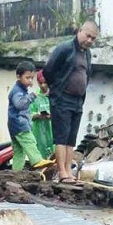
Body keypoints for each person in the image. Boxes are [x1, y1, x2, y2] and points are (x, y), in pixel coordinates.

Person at [42, 20, 99, 184]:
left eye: (93, 39)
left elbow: (86, 75)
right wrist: (57, 88)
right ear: (80, 31)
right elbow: (48, 70)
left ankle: (68, 171)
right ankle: (61, 172)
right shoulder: (65, 48)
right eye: (88, 36)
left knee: (71, 139)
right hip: (62, 98)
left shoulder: (87, 54)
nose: (89, 40)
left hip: (77, 101)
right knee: (61, 137)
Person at [8, 61, 56, 171]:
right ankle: (37, 160)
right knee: (30, 142)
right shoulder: (17, 91)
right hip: (20, 124)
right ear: (18, 76)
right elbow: (19, 104)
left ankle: (16, 172)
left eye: (31, 78)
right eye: (27, 77)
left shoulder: (21, 90)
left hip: (14, 125)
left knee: (19, 151)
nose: (30, 81)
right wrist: (32, 96)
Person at [29, 70, 54, 159]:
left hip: (52, 130)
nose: (43, 85)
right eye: (40, 83)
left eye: (45, 82)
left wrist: (52, 115)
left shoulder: (55, 95)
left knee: (54, 156)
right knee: (40, 158)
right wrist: (38, 115)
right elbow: (29, 115)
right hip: (39, 132)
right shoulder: (35, 96)